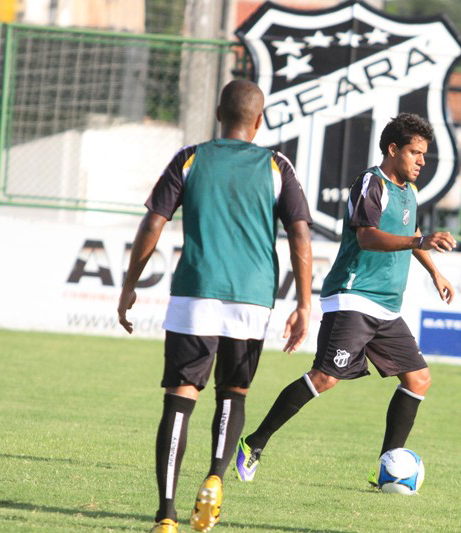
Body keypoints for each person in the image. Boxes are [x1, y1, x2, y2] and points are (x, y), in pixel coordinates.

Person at [117, 79, 313, 533]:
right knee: (233, 394)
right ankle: (214, 478)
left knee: (180, 399)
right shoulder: (276, 165)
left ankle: (165, 515)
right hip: (252, 297)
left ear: (218, 113)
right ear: (259, 120)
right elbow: (300, 233)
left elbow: (153, 222)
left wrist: (130, 283)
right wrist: (304, 304)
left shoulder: (191, 157)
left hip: (195, 291)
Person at [233, 113, 456, 487]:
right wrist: (420, 241)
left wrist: (433, 270)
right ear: (392, 149)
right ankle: (253, 444)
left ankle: (385, 465)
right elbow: (368, 236)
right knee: (324, 378)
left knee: (418, 379)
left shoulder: (408, 192)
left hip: (386, 306)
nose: (421, 161)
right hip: (353, 298)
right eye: (415, 153)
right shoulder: (372, 183)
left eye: (424, 155)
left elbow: (410, 229)